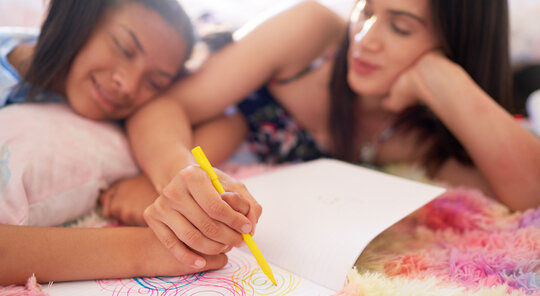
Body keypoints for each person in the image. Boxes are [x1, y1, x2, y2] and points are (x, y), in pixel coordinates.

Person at [106, 0, 540, 270]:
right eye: (367, 11)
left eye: (401, 27)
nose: (365, 39)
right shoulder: (311, 34)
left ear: (455, 45)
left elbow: (530, 190)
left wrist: (441, 77)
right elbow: (167, 105)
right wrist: (176, 176)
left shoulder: (421, 131)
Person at [0, 0, 232, 286]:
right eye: (123, 48)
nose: (130, 85)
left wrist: (160, 178)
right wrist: (144, 250)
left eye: (154, 82)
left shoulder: (122, 101)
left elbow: (229, 122)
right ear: (76, 17)